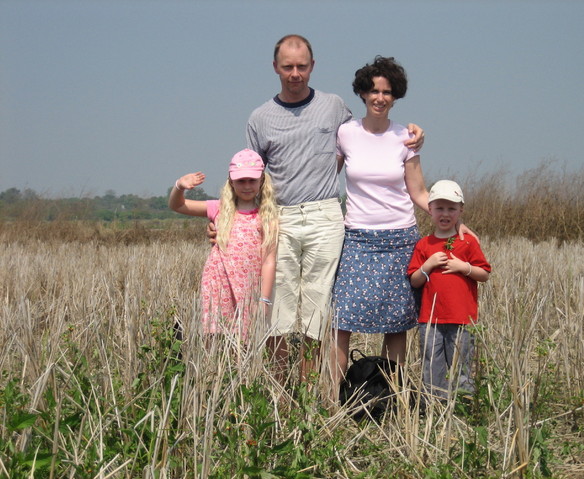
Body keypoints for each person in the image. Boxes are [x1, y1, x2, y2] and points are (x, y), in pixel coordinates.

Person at [229, 35, 426, 383]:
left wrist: (415, 134)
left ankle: (314, 389)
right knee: (279, 309)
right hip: (283, 217)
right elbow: (250, 177)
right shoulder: (260, 118)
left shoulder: (335, 108)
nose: (295, 73)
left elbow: (378, 142)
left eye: (301, 66)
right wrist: (227, 219)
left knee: (321, 312)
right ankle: (282, 390)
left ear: (312, 67)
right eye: (287, 67)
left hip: (327, 216)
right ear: (275, 67)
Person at [330, 56, 434, 391]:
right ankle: (333, 402)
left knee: (397, 324)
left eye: (387, 92)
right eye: (373, 90)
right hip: (357, 239)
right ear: (362, 93)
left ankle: (392, 400)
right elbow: (322, 178)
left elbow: (418, 191)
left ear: (395, 96)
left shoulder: (406, 137)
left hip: (400, 239)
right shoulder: (345, 133)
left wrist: (452, 218)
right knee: (340, 322)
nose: (379, 97)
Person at [170, 149, 278, 340]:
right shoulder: (217, 208)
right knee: (215, 336)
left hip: (249, 287)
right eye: (241, 181)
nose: (246, 186)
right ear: (231, 181)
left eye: (252, 180)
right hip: (218, 283)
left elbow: (269, 261)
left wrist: (264, 299)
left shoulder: (267, 216)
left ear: (262, 181)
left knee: (245, 340)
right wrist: (179, 186)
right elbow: (177, 205)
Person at [407, 180, 491, 400]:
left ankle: (462, 403)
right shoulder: (424, 245)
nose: (445, 214)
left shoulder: (468, 242)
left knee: (461, 363)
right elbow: (415, 280)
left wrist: (463, 267)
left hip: (462, 318)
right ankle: (433, 403)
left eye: (451, 208)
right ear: (430, 210)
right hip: (430, 319)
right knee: (432, 363)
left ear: (460, 210)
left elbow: (484, 274)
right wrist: (429, 264)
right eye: (439, 208)